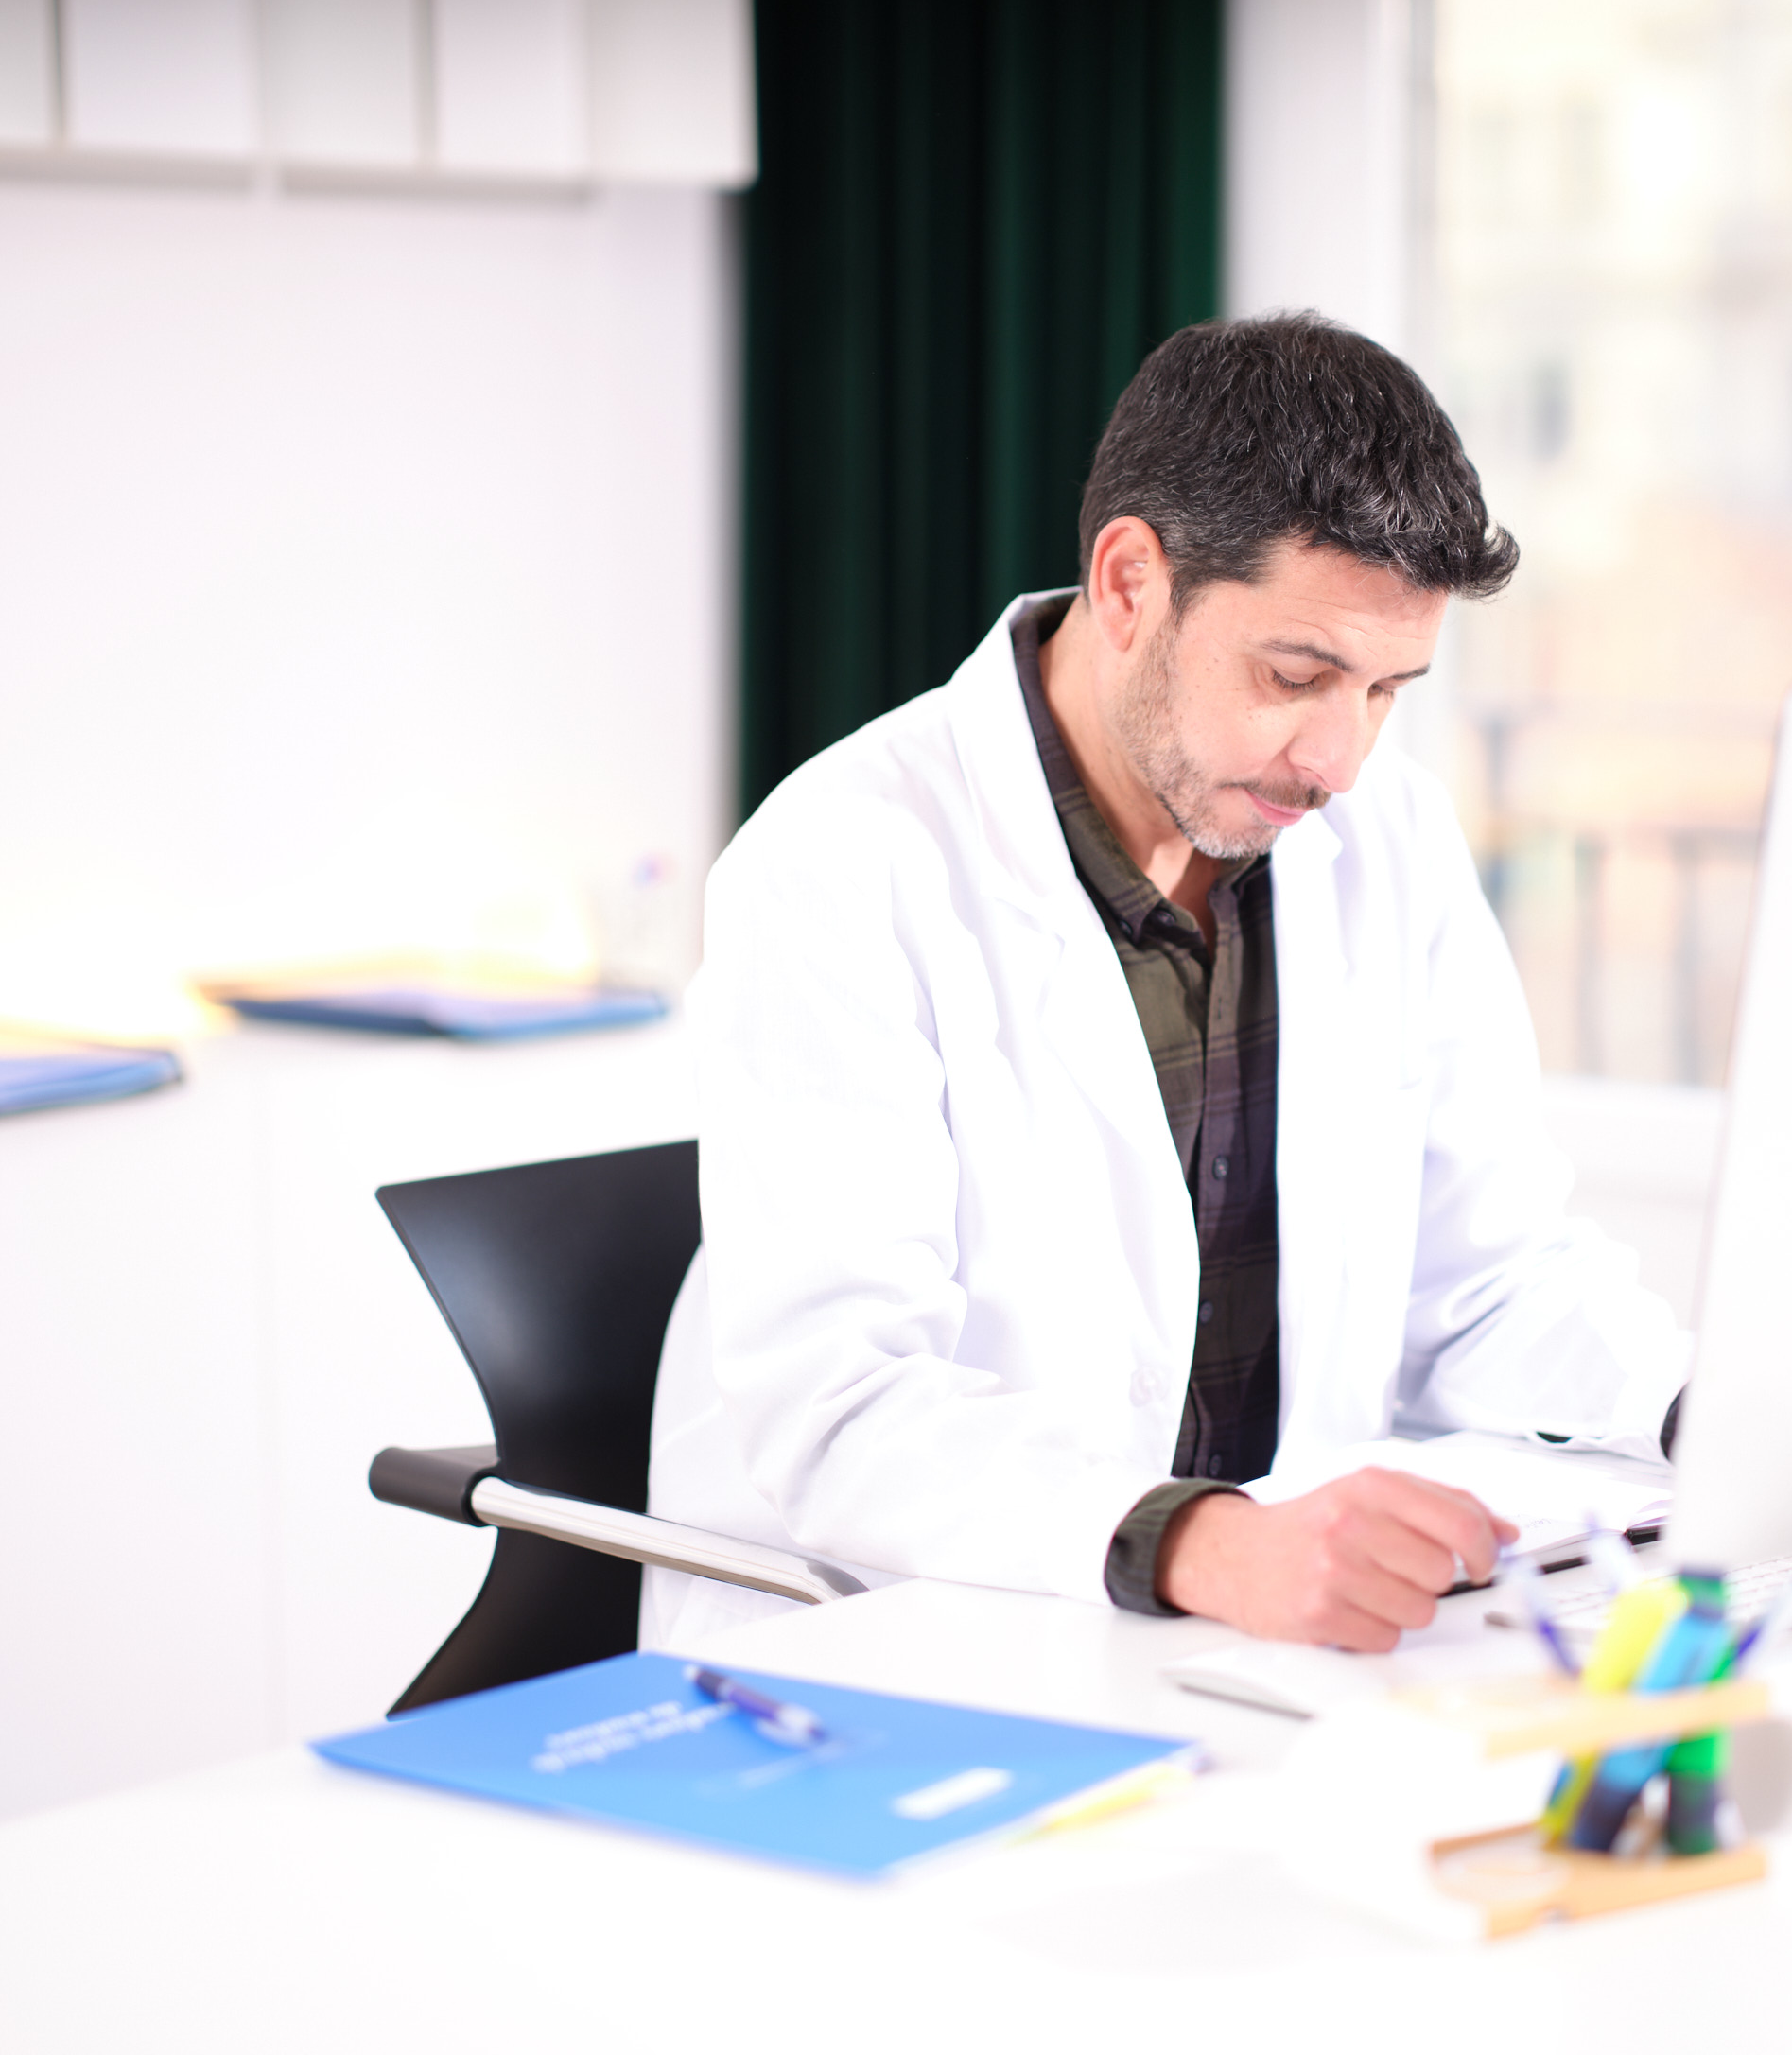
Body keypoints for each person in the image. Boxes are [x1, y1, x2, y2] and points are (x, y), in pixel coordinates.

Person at [644, 312, 1686, 1654]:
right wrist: (1199, 1543)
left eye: (1386, 692)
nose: (1341, 760)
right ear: (1132, 583)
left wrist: (1696, 1410)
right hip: (898, 1642)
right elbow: (845, 1407)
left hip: (1239, 1642)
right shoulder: (840, 863)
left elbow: (1485, 1286)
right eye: (1298, 675)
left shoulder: (1391, 837)